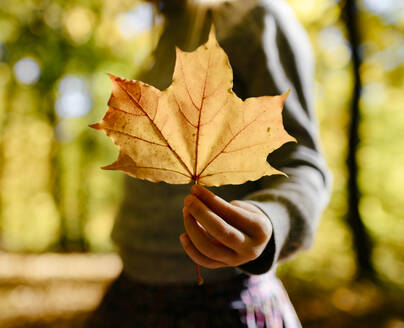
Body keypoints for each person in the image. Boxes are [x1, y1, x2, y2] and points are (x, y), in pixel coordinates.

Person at [85, 0, 331, 327]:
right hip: (132, 291)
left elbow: (303, 162)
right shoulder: (164, 28)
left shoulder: (254, 17)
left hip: (224, 299)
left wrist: (271, 217)